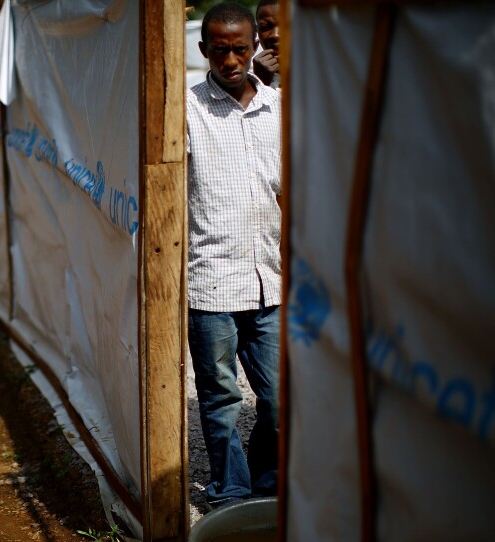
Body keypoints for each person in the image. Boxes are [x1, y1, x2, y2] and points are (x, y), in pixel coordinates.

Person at [185, 1, 281, 510]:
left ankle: (267, 479)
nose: (230, 60)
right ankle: (231, 491)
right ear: (203, 51)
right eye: (219, 51)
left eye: (239, 49)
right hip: (210, 283)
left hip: (270, 280)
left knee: (281, 398)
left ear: (255, 47)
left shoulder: (279, 110)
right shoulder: (184, 110)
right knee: (220, 400)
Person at [253, 0, 280, 87]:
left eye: (285, 25)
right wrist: (259, 83)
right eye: (265, 27)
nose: (275, 35)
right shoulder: (243, 81)